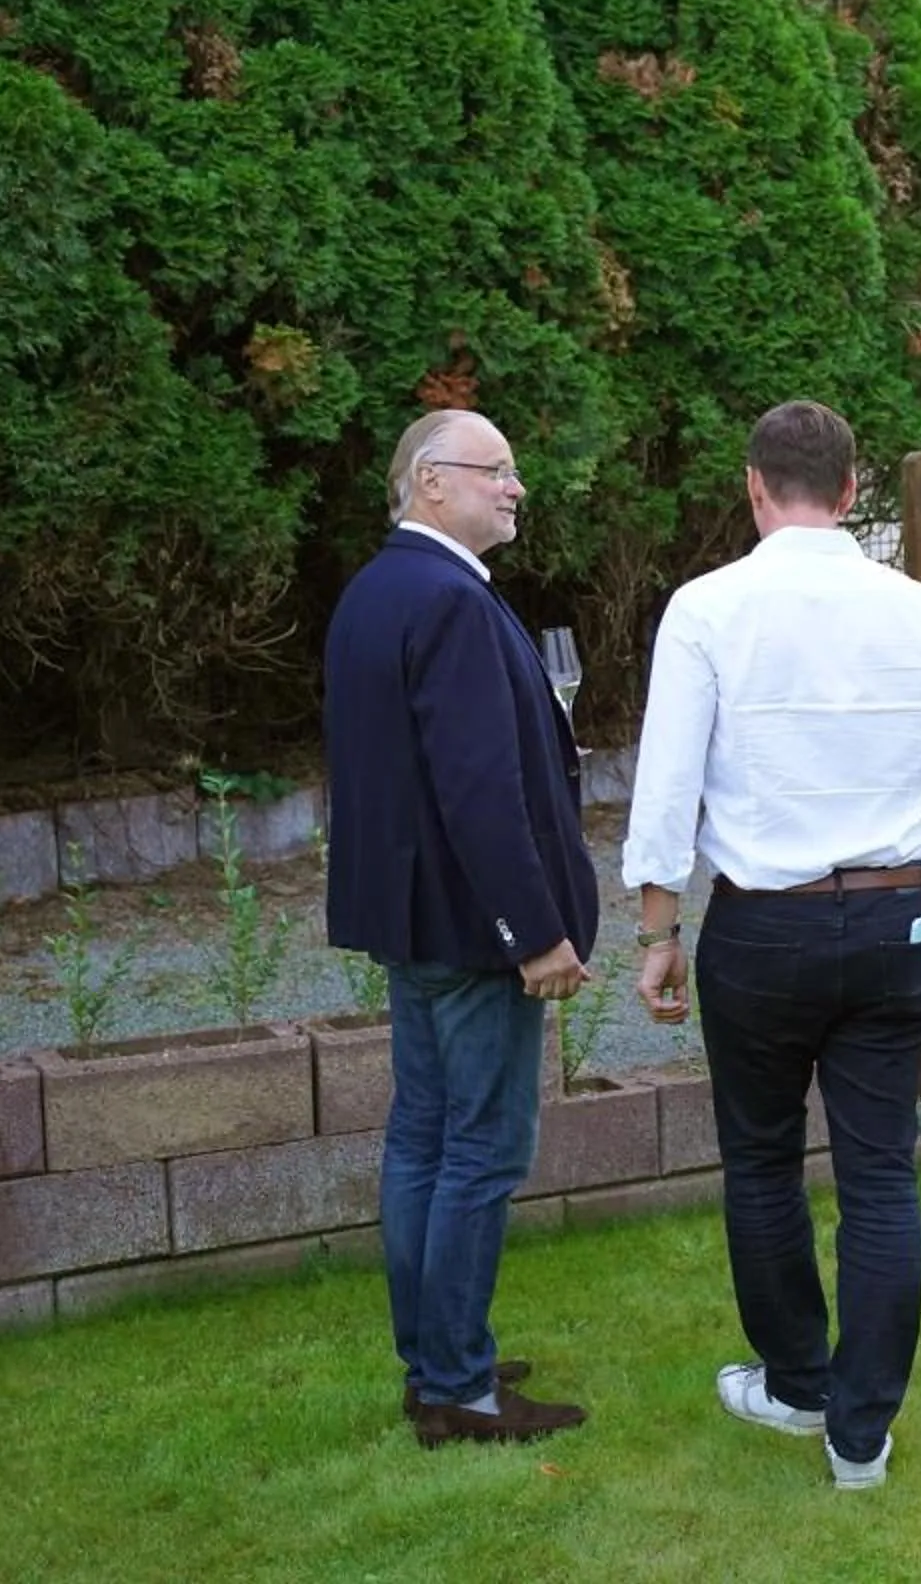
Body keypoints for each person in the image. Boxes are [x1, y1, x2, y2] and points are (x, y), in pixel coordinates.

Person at [624, 400, 921, 1494]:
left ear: (754, 487)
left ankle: (800, 1384)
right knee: (881, 1171)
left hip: (761, 925)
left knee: (761, 1158)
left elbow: (667, 786)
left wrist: (656, 930)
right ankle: (860, 1433)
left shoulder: (705, 607)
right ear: (851, 493)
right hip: (896, 918)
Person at [322, 409, 598, 1449]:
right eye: (499, 470)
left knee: (424, 1140)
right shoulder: (449, 603)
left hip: (412, 920)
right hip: (473, 932)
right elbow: (479, 789)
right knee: (479, 1149)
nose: (516, 487)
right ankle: (459, 1386)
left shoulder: (376, 593)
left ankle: (437, 1356)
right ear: (432, 483)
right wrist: (534, 930)